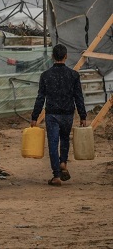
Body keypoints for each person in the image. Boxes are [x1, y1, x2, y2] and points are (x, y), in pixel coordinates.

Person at [31, 44, 87, 186]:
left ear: (52, 57)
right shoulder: (73, 75)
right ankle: (63, 162)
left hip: (52, 115)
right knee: (65, 139)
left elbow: (40, 98)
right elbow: (78, 97)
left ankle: (56, 176)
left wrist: (34, 117)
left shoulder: (45, 75)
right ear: (66, 56)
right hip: (68, 114)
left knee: (53, 143)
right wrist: (83, 115)